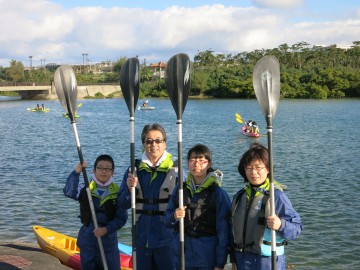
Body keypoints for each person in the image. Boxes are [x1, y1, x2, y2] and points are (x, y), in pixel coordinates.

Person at [230, 143, 302, 270]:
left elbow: (296, 229)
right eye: (249, 168)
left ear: (268, 169)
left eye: (259, 167)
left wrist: (281, 225)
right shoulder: (239, 196)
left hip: (267, 262)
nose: (254, 172)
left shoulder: (276, 196)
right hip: (241, 259)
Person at [118, 123, 177, 270]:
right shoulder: (134, 169)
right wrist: (128, 189)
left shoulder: (176, 170)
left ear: (165, 143)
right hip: (140, 237)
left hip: (167, 238)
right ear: (143, 144)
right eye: (149, 141)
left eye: (158, 140)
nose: (154, 144)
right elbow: (122, 204)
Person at [164, 144, 232, 270]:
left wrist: (220, 263)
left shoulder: (218, 194)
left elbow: (224, 231)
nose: (196, 165)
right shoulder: (179, 190)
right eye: (192, 161)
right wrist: (175, 216)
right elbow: (166, 220)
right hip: (182, 253)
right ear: (188, 163)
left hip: (207, 253)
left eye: (201, 161)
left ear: (209, 164)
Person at [63, 154, 128, 270]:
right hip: (88, 239)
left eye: (108, 169)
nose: (104, 171)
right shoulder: (86, 189)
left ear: (113, 172)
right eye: (100, 168)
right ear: (94, 170)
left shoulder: (118, 193)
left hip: (108, 241)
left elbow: (121, 219)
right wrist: (76, 173)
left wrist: (106, 229)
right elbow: (69, 191)